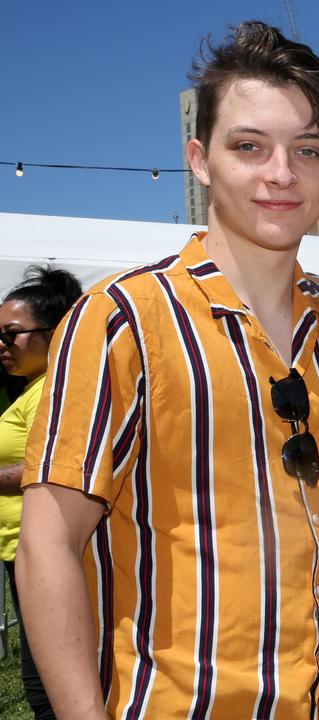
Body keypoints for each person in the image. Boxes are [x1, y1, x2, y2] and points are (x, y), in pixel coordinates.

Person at [17, 21, 319, 718]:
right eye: (249, 146)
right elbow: (47, 544)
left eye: (307, 149)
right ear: (199, 158)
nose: (281, 173)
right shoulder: (122, 318)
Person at [0, 265, 82, 719]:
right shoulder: (33, 388)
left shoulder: (54, 389)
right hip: (23, 547)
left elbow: (49, 464)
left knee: (47, 687)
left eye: (11, 335)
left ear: (52, 333)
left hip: (42, 550)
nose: (2, 346)